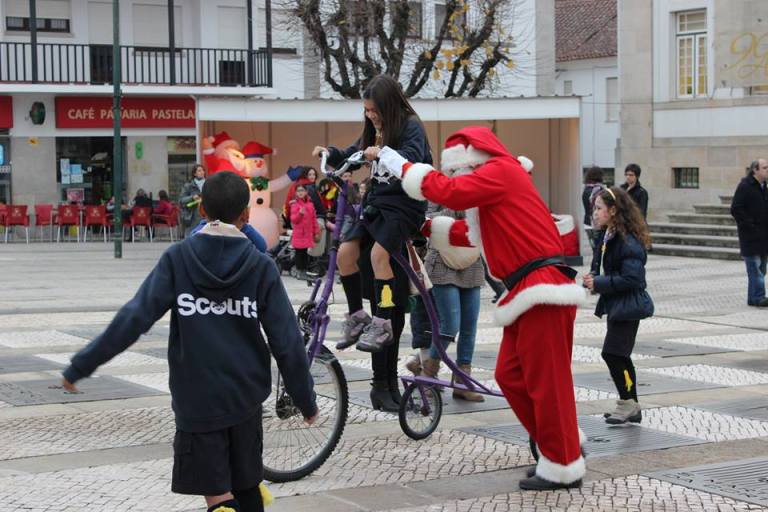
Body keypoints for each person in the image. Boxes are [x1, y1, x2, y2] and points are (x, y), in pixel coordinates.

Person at [59, 171, 318, 512]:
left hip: (197, 400)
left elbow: (134, 318)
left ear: (201, 212)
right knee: (247, 486)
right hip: (245, 397)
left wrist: (81, 365)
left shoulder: (178, 259)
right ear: (246, 215)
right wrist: (306, 400)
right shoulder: (260, 266)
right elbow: (286, 340)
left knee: (219, 496)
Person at [377, 125, 587, 490]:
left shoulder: (501, 171)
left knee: (547, 383)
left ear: (472, 160)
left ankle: (563, 463)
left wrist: (398, 164)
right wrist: (424, 226)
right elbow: (470, 235)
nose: (456, 176)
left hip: (543, 290)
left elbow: (452, 194)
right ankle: (562, 444)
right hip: (527, 292)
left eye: (457, 169)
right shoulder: (497, 187)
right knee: (511, 376)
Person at [312, 74, 432, 412]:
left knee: (389, 299)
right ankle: (357, 316)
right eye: (366, 111)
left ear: (388, 106)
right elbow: (352, 153)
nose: (370, 116)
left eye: (374, 110)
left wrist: (381, 152)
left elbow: (410, 160)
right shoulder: (373, 127)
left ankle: (383, 366)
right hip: (376, 209)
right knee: (347, 252)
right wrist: (332, 153)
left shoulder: (409, 127)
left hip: (400, 209)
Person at [583, 187, 653, 426]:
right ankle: (629, 404)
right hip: (618, 303)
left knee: (613, 354)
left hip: (628, 305)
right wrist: (593, 278)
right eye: (595, 208)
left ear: (613, 211)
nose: (595, 213)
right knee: (618, 355)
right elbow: (605, 268)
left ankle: (628, 403)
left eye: (599, 208)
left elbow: (633, 278)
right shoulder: (609, 235)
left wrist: (600, 282)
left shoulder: (627, 241)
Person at [409, 203, 485, 402]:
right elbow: (425, 220)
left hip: (470, 260)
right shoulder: (442, 188)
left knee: (469, 326)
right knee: (450, 325)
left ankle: (462, 382)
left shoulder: (479, 189)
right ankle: (427, 374)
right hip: (442, 260)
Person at [731, 159, 768, 307]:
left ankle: (753, 298)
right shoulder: (745, 186)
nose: (767, 170)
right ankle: (758, 297)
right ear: (755, 170)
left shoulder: (764, 187)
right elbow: (736, 209)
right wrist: (750, 225)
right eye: (765, 168)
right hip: (750, 237)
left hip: (763, 237)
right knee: (755, 270)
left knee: (761, 270)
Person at [290, 184, 320, 280]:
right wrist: (300, 214)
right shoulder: (294, 205)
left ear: (306, 192)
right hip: (299, 235)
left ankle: (304, 271)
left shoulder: (310, 205)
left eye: (302, 190)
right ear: (296, 193)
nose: (300, 192)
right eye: (298, 191)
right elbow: (293, 220)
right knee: (299, 253)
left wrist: (316, 231)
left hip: (307, 234)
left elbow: (314, 219)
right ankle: (300, 271)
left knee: (305, 253)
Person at [582, 166, 605, 251]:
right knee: (600, 249)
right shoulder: (599, 190)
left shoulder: (586, 189)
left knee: (595, 248)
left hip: (587, 223)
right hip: (597, 223)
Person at [180, 164, 206, 238]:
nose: (202, 172)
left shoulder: (208, 184)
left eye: (203, 170)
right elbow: (181, 200)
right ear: (194, 173)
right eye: (199, 171)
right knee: (191, 237)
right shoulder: (188, 186)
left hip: (206, 215)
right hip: (192, 216)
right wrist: (192, 198)